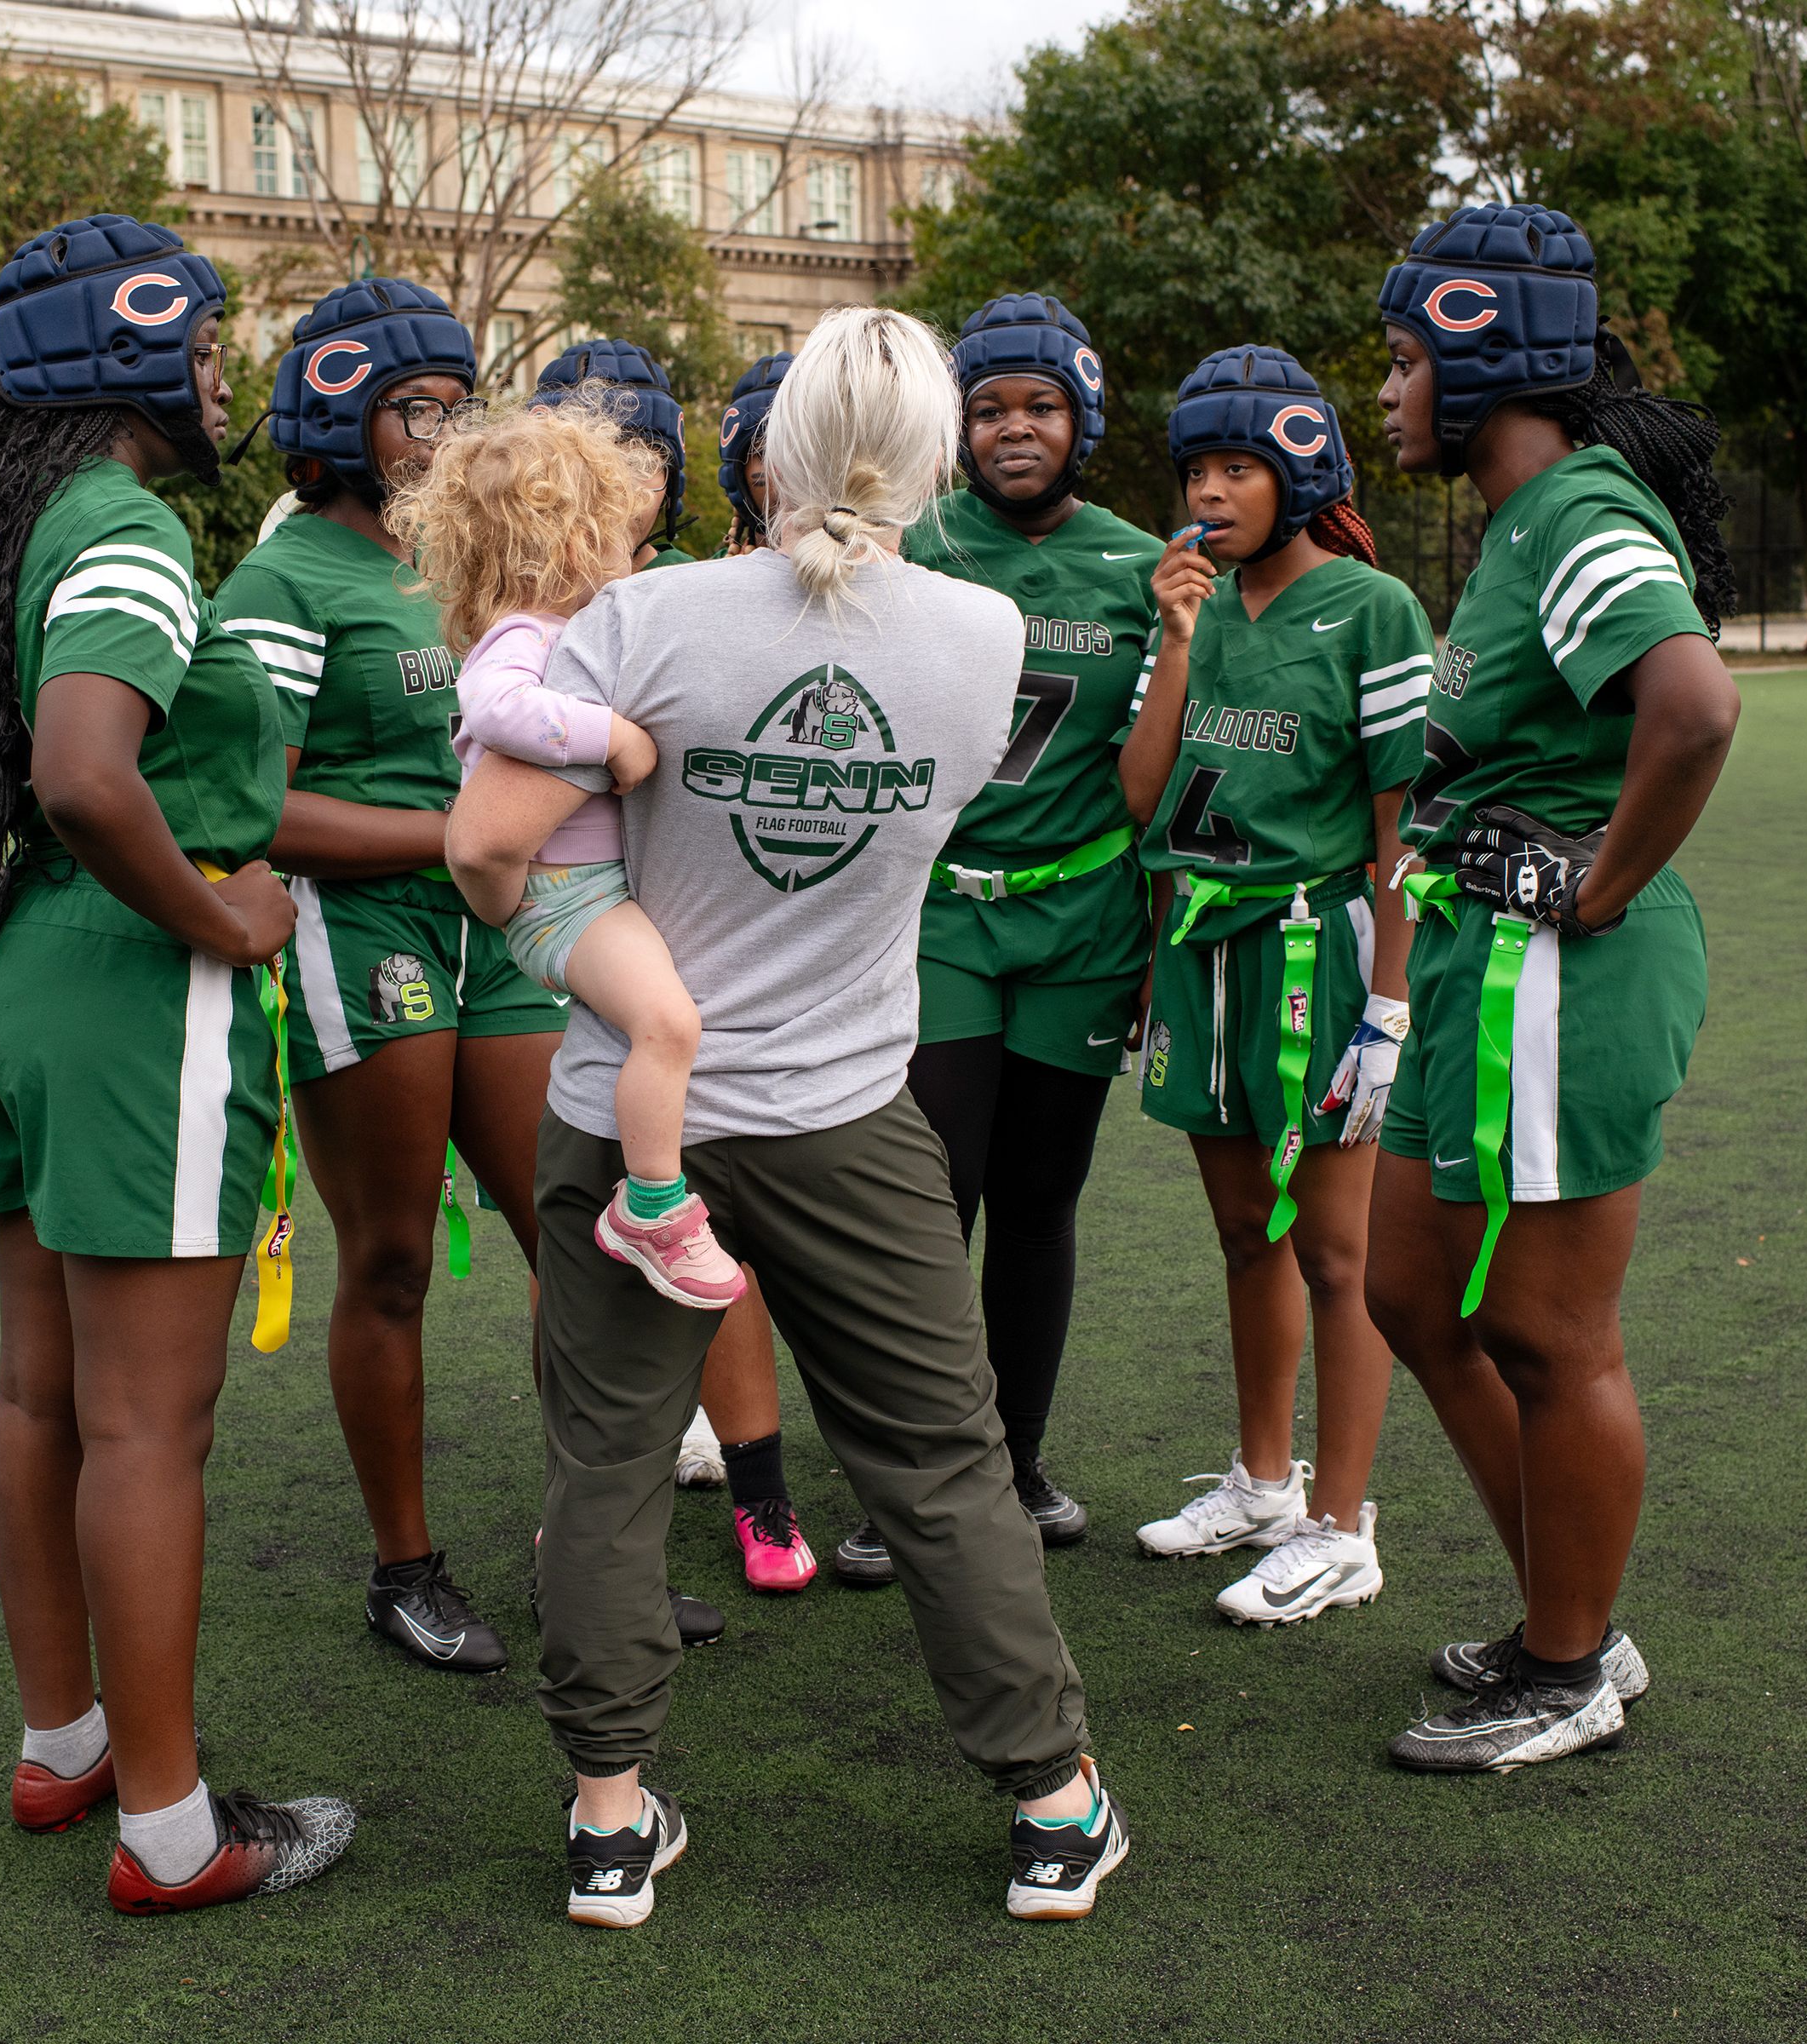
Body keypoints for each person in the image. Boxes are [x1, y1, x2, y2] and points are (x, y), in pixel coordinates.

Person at [448, 305, 1129, 1929]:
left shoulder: (646, 617)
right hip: (844, 1109)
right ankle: (1052, 1803)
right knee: (942, 1468)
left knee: (605, 1465)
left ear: (761, 456)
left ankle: (610, 1822)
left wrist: (572, 939)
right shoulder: (983, 636)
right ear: (940, 460)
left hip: (629, 1110)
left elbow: (484, 842)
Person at [0, 214, 354, 1911]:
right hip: (133, 1000)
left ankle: (67, 1746)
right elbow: (85, 777)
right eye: (194, 341)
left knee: (42, 1395)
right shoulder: (122, 524)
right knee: (146, 1428)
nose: (216, 371)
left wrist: (10, 901)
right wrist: (219, 921)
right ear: (118, 353)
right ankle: (175, 1828)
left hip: (11, 982)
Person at [1367, 203, 1740, 1771]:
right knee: (1407, 1289)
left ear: (1481, 358)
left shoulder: (1581, 511)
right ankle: (1565, 1609)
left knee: (1547, 1330)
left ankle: (1572, 1665)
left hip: (1558, 972)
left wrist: (1607, 883)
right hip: (1475, 959)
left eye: (1399, 362)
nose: (1382, 395)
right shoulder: (1519, 524)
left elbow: (1695, 705)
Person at [209, 278, 571, 1675]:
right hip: (367, 937)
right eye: (413, 410)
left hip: (504, 925)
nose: (439, 435)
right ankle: (405, 1568)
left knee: (576, 1228)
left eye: (454, 406)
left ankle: (581, 1550)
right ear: (333, 420)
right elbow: (251, 811)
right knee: (398, 1257)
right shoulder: (284, 580)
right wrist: (452, 834)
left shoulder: (467, 562)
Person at [824, 296, 1156, 1587]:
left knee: (1037, 1201)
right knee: (926, 1201)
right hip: (941, 913)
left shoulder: (1142, 566)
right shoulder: (910, 543)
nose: (1016, 429)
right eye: (989, 407)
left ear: (1084, 419)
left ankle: (1014, 1463)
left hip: (1080, 917)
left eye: (1042, 405)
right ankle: (906, 1481)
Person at [1118, 347, 1433, 1627]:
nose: (1211, 490)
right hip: (1203, 949)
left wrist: (1393, 1002)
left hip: (1322, 950)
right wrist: (1178, 635)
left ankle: (1343, 1524)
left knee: (1338, 1249)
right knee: (1247, 1231)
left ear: (1301, 471)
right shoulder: (1186, 605)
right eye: (1198, 466)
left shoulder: (1373, 607)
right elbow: (1142, 795)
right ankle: (1262, 1479)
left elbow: (1399, 823)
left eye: (1239, 465)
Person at [537, 338, 819, 1593]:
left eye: (640, 446)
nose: (617, 471)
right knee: (591, 1256)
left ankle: (760, 1496)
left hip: (699, 954)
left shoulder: (698, 591)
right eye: (591, 445)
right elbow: (498, 799)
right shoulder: (536, 598)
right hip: (586, 948)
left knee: (712, 1242)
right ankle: (596, 1528)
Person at [388, 397, 743, 1309]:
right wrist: (610, 735)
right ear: (564, 543)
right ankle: (654, 1208)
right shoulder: (525, 636)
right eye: (612, 533)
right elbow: (493, 709)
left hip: (586, 889)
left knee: (666, 1024)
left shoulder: (576, 633)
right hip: (565, 897)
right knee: (671, 1025)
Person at [535, 339, 699, 570]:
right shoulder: (505, 587)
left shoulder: (686, 586)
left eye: (642, 464)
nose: (618, 489)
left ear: (670, 481)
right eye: (587, 462)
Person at [716, 350, 793, 554]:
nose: (784, 471)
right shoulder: (704, 579)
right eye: (765, 453)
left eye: (800, 453)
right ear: (737, 473)